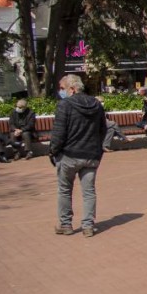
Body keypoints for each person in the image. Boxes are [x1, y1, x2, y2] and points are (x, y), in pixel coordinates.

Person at [49, 74, 107, 236]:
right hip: (91, 155)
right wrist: (98, 150)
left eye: (62, 88)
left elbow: (58, 133)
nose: (61, 91)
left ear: (72, 89)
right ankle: (88, 225)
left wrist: (53, 151)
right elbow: (103, 130)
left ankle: (66, 224)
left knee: (65, 190)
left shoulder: (65, 105)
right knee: (89, 191)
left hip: (69, 155)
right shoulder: (96, 104)